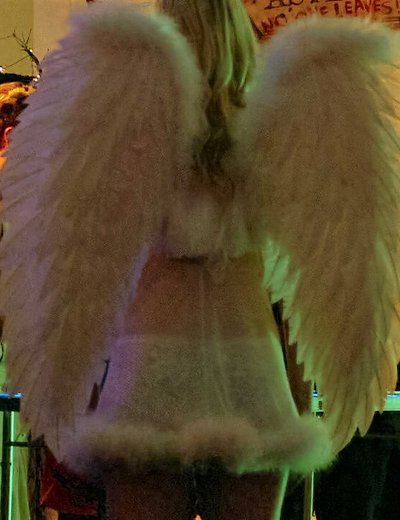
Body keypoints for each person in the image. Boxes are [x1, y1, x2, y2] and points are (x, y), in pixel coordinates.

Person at [2, 1, 400, 519]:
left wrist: (76, 382)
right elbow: (298, 277)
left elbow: (71, 246)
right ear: (238, 36)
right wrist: (303, 392)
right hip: (251, 370)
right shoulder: (280, 127)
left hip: (148, 368)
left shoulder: (129, 131)